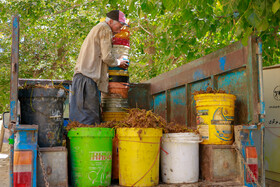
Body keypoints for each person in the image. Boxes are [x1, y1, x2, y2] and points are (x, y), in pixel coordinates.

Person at [69, 10, 129, 125]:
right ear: (110, 21)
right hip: (87, 79)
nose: (120, 30)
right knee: (89, 121)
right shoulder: (105, 28)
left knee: (78, 120)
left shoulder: (98, 28)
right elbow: (107, 57)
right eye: (119, 26)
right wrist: (118, 62)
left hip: (80, 79)